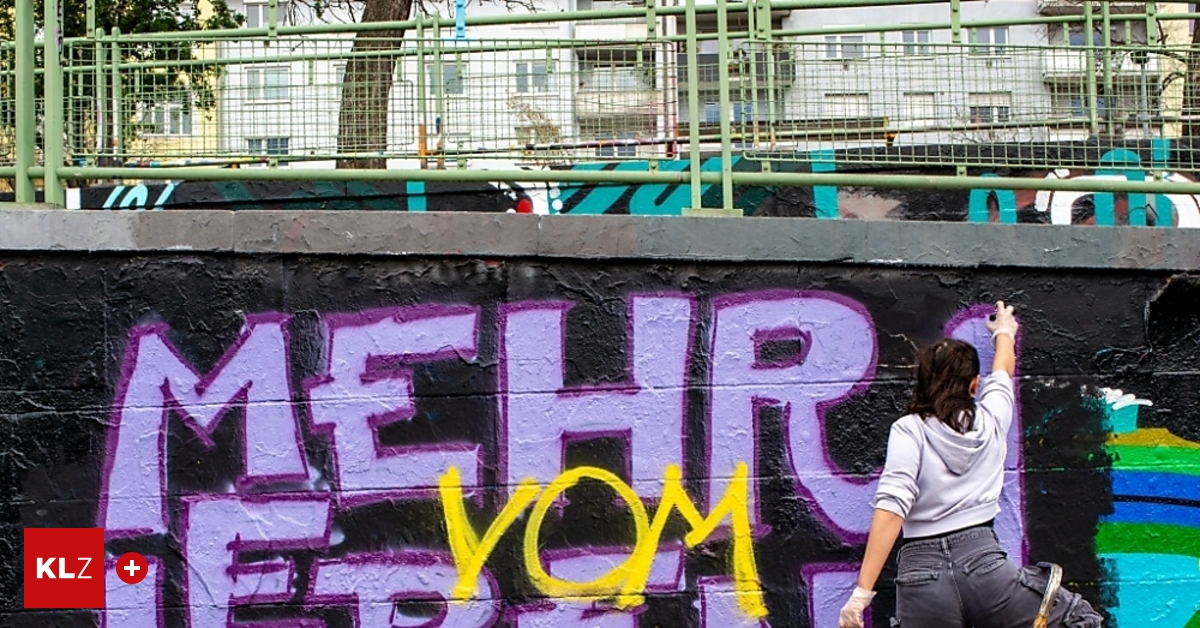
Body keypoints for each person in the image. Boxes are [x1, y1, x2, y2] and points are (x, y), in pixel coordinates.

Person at [838, 302, 1103, 628]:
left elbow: (892, 508)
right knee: (1079, 619)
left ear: (922, 382)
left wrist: (861, 594)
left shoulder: (909, 430)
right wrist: (1004, 330)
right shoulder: (992, 418)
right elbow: (1003, 370)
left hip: (922, 580)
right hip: (985, 569)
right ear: (975, 384)